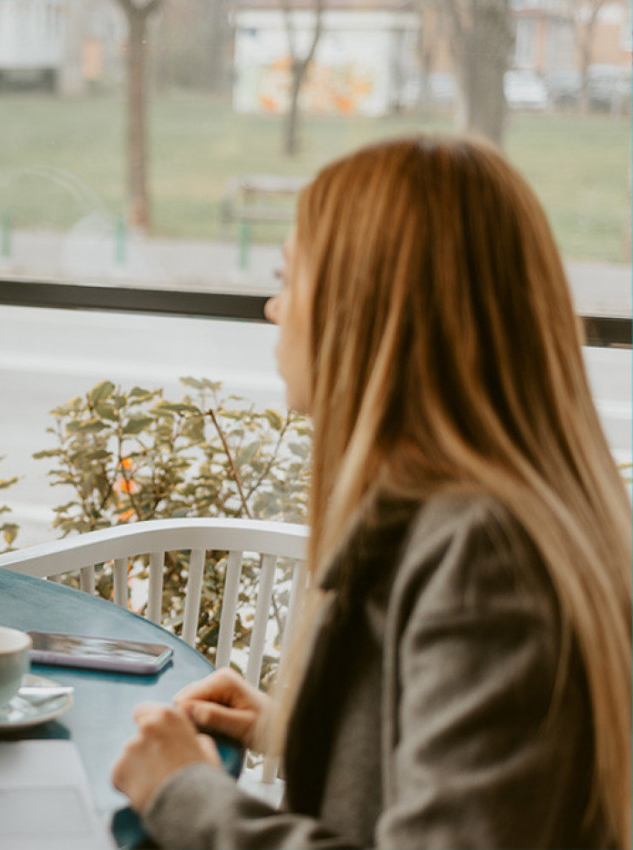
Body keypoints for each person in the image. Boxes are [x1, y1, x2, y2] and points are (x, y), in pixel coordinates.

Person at [111, 135, 632, 849]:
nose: (273, 307)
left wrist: (186, 794)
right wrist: (300, 724)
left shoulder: (483, 554)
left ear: (363, 305)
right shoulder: (486, 517)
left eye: (288, 277)